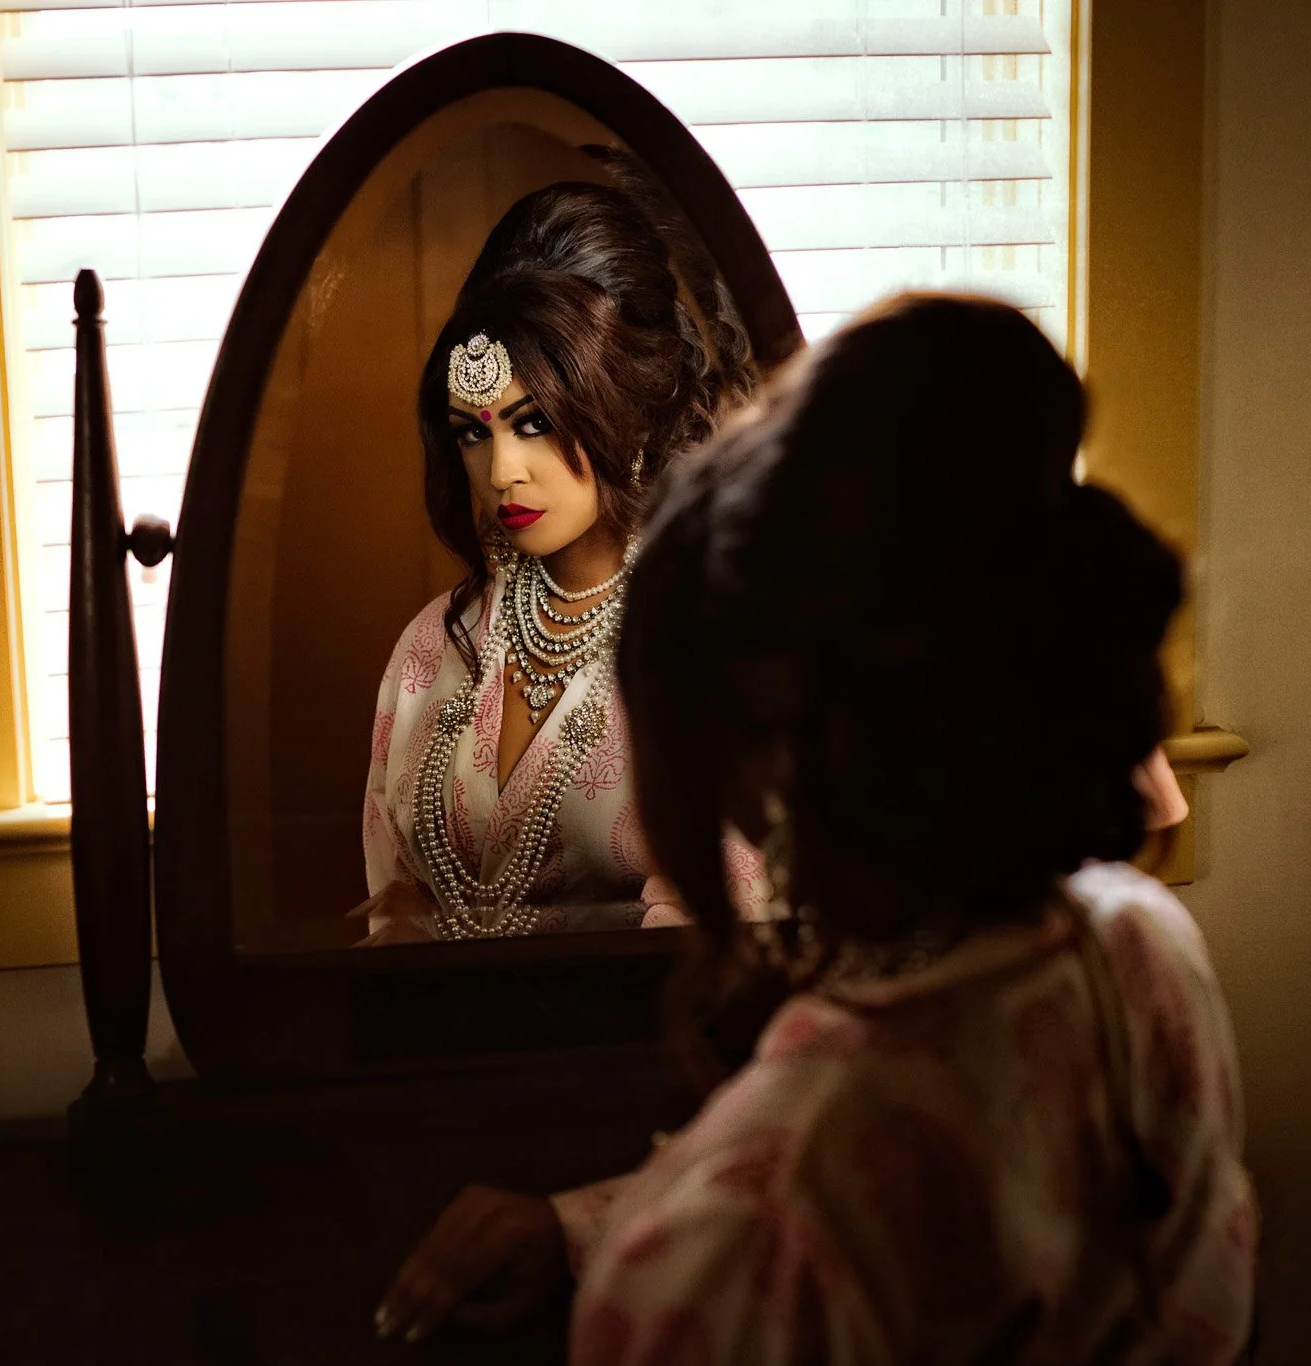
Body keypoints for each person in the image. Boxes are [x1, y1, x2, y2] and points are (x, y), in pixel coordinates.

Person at [375, 295, 1257, 1362]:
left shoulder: (733, 1239)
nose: (504, 468)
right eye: (474, 430)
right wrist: (575, 1227)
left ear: (756, 760)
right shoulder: (1143, 952)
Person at [355, 173, 766, 943]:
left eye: (534, 421)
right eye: (473, 431)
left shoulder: (704, 643)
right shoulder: (428, 650)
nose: (503, 470)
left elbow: (739, 926)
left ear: (630, 405)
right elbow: (389, 915)